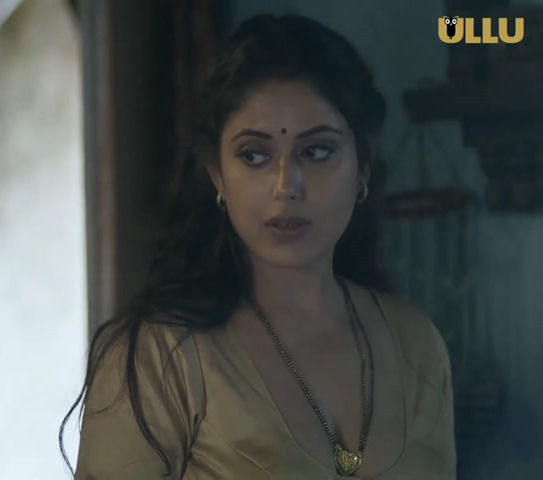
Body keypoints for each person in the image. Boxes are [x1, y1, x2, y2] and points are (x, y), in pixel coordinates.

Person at [60, 13, 457, 479]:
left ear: (363, 168)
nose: (287, 186)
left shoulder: (417, 346)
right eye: (254, 155)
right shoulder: (161, 358)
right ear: (217, 174)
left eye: (316, 151)